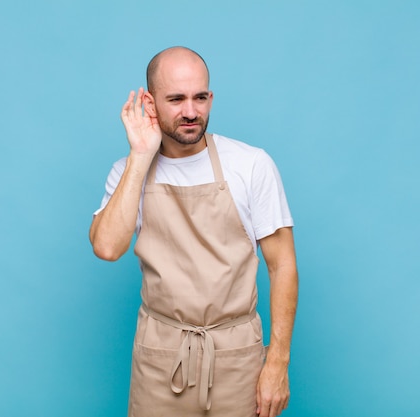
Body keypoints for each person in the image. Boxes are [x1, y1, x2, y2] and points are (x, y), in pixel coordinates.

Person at [90, 46, 298, 417]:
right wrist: (140, 156)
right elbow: (106, 247)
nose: (191, 111)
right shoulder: (127, 171)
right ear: (150, 103)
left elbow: (282, 265)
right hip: (160, 359)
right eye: (176, 99)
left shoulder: (251, 165)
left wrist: (277, 364)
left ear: (211, 97)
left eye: (200, 98)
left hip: (238, 358)